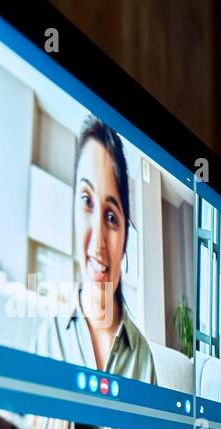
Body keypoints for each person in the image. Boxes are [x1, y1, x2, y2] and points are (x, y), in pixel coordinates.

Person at [33, 117, 158, 385]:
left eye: (112, 217)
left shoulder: (143, 359)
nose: (98, 240)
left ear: (125, 239)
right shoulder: (47, 338)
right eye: (87, 201)